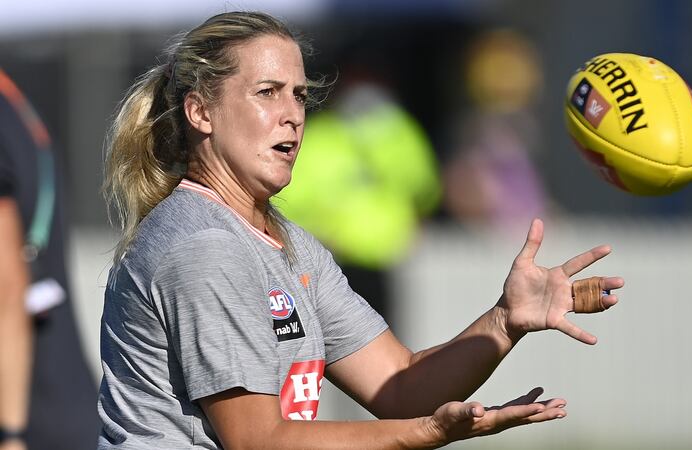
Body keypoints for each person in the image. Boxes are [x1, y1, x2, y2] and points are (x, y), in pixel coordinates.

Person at [98, 11, 623, 449]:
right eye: (267, 92)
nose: (292, 115)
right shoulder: (203, 247)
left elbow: (399, 383)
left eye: (299, 96)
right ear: (200, 112)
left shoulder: (290, 245)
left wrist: (505, 321)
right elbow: (258, 441)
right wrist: (421, 433)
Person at [0, 69, 99, 450]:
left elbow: (7, 286)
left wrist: (11, 433)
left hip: (27, 423)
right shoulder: (13, 102)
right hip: (57, 408)